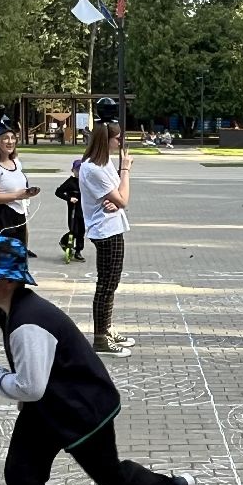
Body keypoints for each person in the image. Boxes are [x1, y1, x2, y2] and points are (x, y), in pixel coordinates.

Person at [0, 236, 193, 485]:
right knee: (21, 474)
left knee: (110, 477)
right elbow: (35, 382)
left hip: (82, 410)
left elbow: (31, 385)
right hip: (48, 409)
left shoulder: (28, 321)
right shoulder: (9, 309)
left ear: (8, 280)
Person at [79, 111, 137, 358]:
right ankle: (100, 338)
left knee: (111, 283)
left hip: (114, 226)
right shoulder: (94, 168)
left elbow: (117, 198)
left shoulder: (103, 164)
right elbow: (123, 197)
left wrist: (116, 199)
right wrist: (125, 171)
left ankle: (107, 328)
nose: (120, 142)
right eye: (117, 138)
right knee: (106, 284)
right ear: (106, 140)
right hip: (105, 232)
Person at [0, 109, 38, 249]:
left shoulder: (16, 163)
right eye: (5, 138)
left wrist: (27, 193)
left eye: (12, 138)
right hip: (0, 218)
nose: (10, 141)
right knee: (2, 263)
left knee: (18, 259)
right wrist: (17, 195)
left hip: (18, 216)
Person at [55, 158, 86, 262]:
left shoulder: (86, 182)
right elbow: (58, 192)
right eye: (77, 170)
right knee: (74, 231)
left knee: (81, 231)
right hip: (73, 210)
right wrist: (69, 198)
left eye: (81, 170)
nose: (79, 172)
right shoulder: (70, 182)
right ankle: (64, 241)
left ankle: (78, 251)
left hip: (84, 211)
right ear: (73, 170)